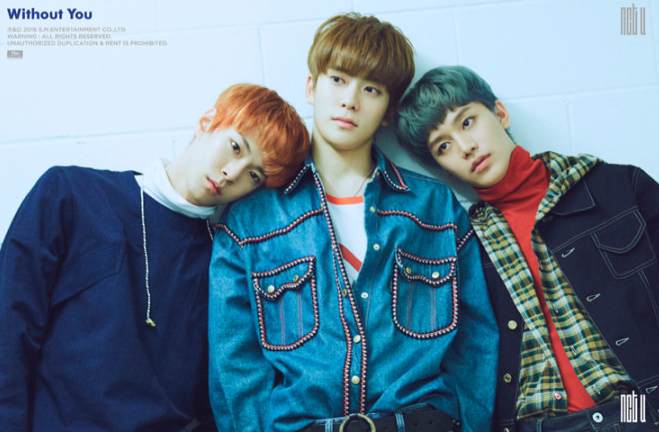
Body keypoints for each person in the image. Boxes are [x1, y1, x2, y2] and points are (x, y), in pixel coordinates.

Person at [208, 14, 498, 432]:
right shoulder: (250, 221)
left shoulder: (433, 208)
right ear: (311, 88)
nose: (350, 101)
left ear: (388, 112)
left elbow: (476, 339)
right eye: (338, 79)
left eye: (371, 89)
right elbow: (234, 363)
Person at [0, 83, 309, 432]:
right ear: (207, 123)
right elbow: (9, 330)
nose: (232, 173)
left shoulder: (226, 268)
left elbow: (221, 399)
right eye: (236, 147)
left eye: (254, 175)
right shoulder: (71, 195)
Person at [396, 65, 659, 432]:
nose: (465, 147)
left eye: (467, 122)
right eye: (444, 146)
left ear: (500, 114)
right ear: (443, 168)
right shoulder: (464, 243)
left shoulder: (617, 189)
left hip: (634, 408)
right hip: (538, 425)